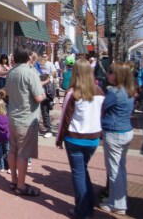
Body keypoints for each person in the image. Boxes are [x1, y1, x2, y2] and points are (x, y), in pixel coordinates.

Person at [56, 59, 105, 219]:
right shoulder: (99, 92)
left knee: (78, 173)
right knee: (83, 170)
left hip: (75, 138)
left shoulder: (72, 93)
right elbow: (101, 115)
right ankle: (88, 204)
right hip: (93, 138)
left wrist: (59, 139)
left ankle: (82, 211)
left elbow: (65, 118)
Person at [5, 45, 45, 197]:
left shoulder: (11, 72)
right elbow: (38, 97)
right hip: (26, 119)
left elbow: (7, 93)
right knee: (23, 154)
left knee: (13, 150)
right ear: (28, 57)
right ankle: (21, 186)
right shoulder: (30, 73)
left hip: (13, 117)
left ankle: (14, 180)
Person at [98, 62, 136, 216]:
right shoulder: (129, 90)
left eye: (111, 72)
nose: (108, 74)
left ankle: (117, 204)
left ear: (118, 74)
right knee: (120, 168)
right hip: (126, 131)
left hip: (115, 133)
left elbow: (103, 106)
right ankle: (119, 198)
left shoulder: (115, 92)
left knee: (114, 170)